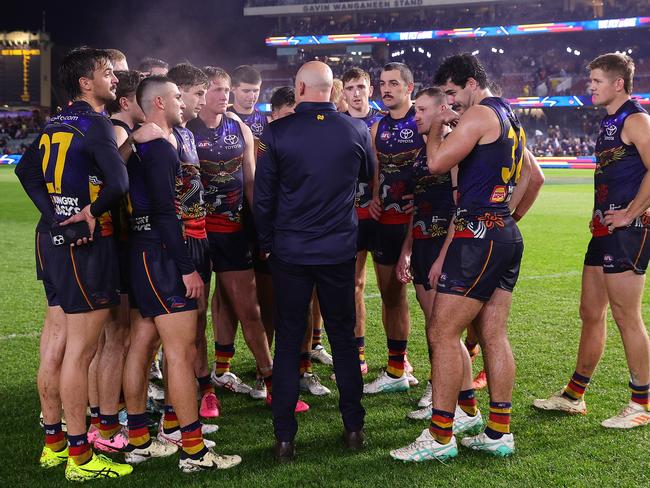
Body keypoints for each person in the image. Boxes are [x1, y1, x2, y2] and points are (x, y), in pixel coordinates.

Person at [390, 53, 535, 462]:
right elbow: (531, 176)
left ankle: (439, 437)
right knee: (493, 334)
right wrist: (505, 213)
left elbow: (436, 163)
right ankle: (498, 432)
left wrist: (437, 126)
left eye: (453, 93)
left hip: (477, 237)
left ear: (472, 83)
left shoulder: (479, 116)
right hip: (504, 232)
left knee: (441, 332)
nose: (450, 103)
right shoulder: (509, 113)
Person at [15, 46, 133, 480]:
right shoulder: (97, 124)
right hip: (83, 245)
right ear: (87, 83)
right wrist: (90, 212)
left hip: (50, 242)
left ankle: (54, 444)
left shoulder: (54, 122)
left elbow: (25, 171)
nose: (114, 79)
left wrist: (51, 215)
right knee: (79, 353)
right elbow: (118, 183)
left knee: (58, 344)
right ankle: (81, 459)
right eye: (107, 73)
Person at [254, 60, 374, 462]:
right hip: (338, 251)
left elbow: (264, 198)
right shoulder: (355, 128)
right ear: (332, 90)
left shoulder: (275, 131)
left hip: (289, 251)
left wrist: (268, 243)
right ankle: (354, 429)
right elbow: (367, 181)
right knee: (343, 339)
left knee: (289, 340)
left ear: (300, 89)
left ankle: (285, 438)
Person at [121, 75, 241, 472]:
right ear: (158, 103)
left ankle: (145, 437)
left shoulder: (166, 138)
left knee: (148, 341)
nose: (182, 101)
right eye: (176, 96)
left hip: (154, 251)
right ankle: (192, 450)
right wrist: (188, 268)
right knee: (180, 351)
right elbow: (163, 211)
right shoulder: (154, 143)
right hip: (163, 253)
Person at [534, 53, 650, 428]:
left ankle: (641, 404)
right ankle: (574, 395)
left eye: (597, 80)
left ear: (619, 83)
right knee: (590, 312)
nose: (591, 86)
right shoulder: (609, 121)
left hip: (629, 230)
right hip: (604, 229)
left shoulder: (635, 118)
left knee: (626, 316)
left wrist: (631, 213)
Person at [187, 67, 283, 409]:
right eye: (215, 89)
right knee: (196, 315)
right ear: (200, 94)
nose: (223, 95)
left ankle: (270, 380)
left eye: (226, 89)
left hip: (232, 231)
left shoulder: (238, 127)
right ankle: (205, 390)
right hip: (195, 234)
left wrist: (263, 230)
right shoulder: (186, 131)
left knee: (250, 309)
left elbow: (251, 184)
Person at [167, 63, 221, 420]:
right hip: (179, 240)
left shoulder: (186, 134)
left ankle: (202, 389)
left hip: (199, 236)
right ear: (179, 94)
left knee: (196, 319)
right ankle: (174, 411)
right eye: (198, 93)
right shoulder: (161, 135)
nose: (202, 100)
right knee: (175, 328)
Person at [364, 62, 422, 394]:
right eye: (382, 83)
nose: (386, 89)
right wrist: (374, 198)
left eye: (394, 84)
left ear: (409, 88)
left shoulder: (425, 121)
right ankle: (397, 368)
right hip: (386, 223)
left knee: (434, 304)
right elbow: (377, 173)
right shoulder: (377, 128)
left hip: (421, 225)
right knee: (390, 295)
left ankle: (444, 380)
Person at [341, 67, 384, 375]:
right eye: (350, 88)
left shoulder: (385, 122)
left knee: (390, 290)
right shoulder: (338, 124)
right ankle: (358, 354)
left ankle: (400, 358)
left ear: (370, 89)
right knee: (353, 285)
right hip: (349, 217)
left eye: (361, 86)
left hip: (383, 217)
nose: (356, 93)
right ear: (343, 92)